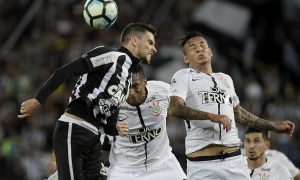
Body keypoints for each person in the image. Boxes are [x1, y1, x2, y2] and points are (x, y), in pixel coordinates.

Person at [18, 22, 157, 180]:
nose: (154, 48)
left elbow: (109, 122)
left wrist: (116, 128)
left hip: (93, 138)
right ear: (134, 40)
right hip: (74, 129)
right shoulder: (110, 56)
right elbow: (66, 71)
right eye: (150, 42)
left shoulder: (126, 81)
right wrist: (38, 99)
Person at [167, 31, 295, 179]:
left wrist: (273, 126)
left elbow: (239, 114)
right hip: (202, 165)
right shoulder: (183, 76)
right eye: (192, 47)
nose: (199, 49)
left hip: (235, 161)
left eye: (203, 45)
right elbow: (174, 108)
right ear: (186, 58)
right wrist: (211, 116)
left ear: (210, 52)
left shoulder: (226, 79)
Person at [106, 65, 187, 180]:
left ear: (145, 82)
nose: (131, 93)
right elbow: (93, 128)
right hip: (125, 169)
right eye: (126, 87)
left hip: (162, 164)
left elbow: (186, 105)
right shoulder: (112, 100)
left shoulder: (163, 91)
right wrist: (110, 127)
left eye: (135, 86)